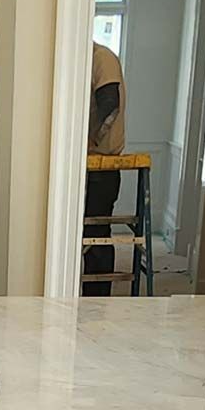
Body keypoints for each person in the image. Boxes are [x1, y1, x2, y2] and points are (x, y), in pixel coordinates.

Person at [84, 42, 127, 297]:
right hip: (92, 166)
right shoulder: (90, 60)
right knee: (90, 237)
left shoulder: (102, 59)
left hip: (101, 167)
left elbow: (110, 104)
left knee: (96, 237)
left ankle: (96, 303)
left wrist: (91, 141)